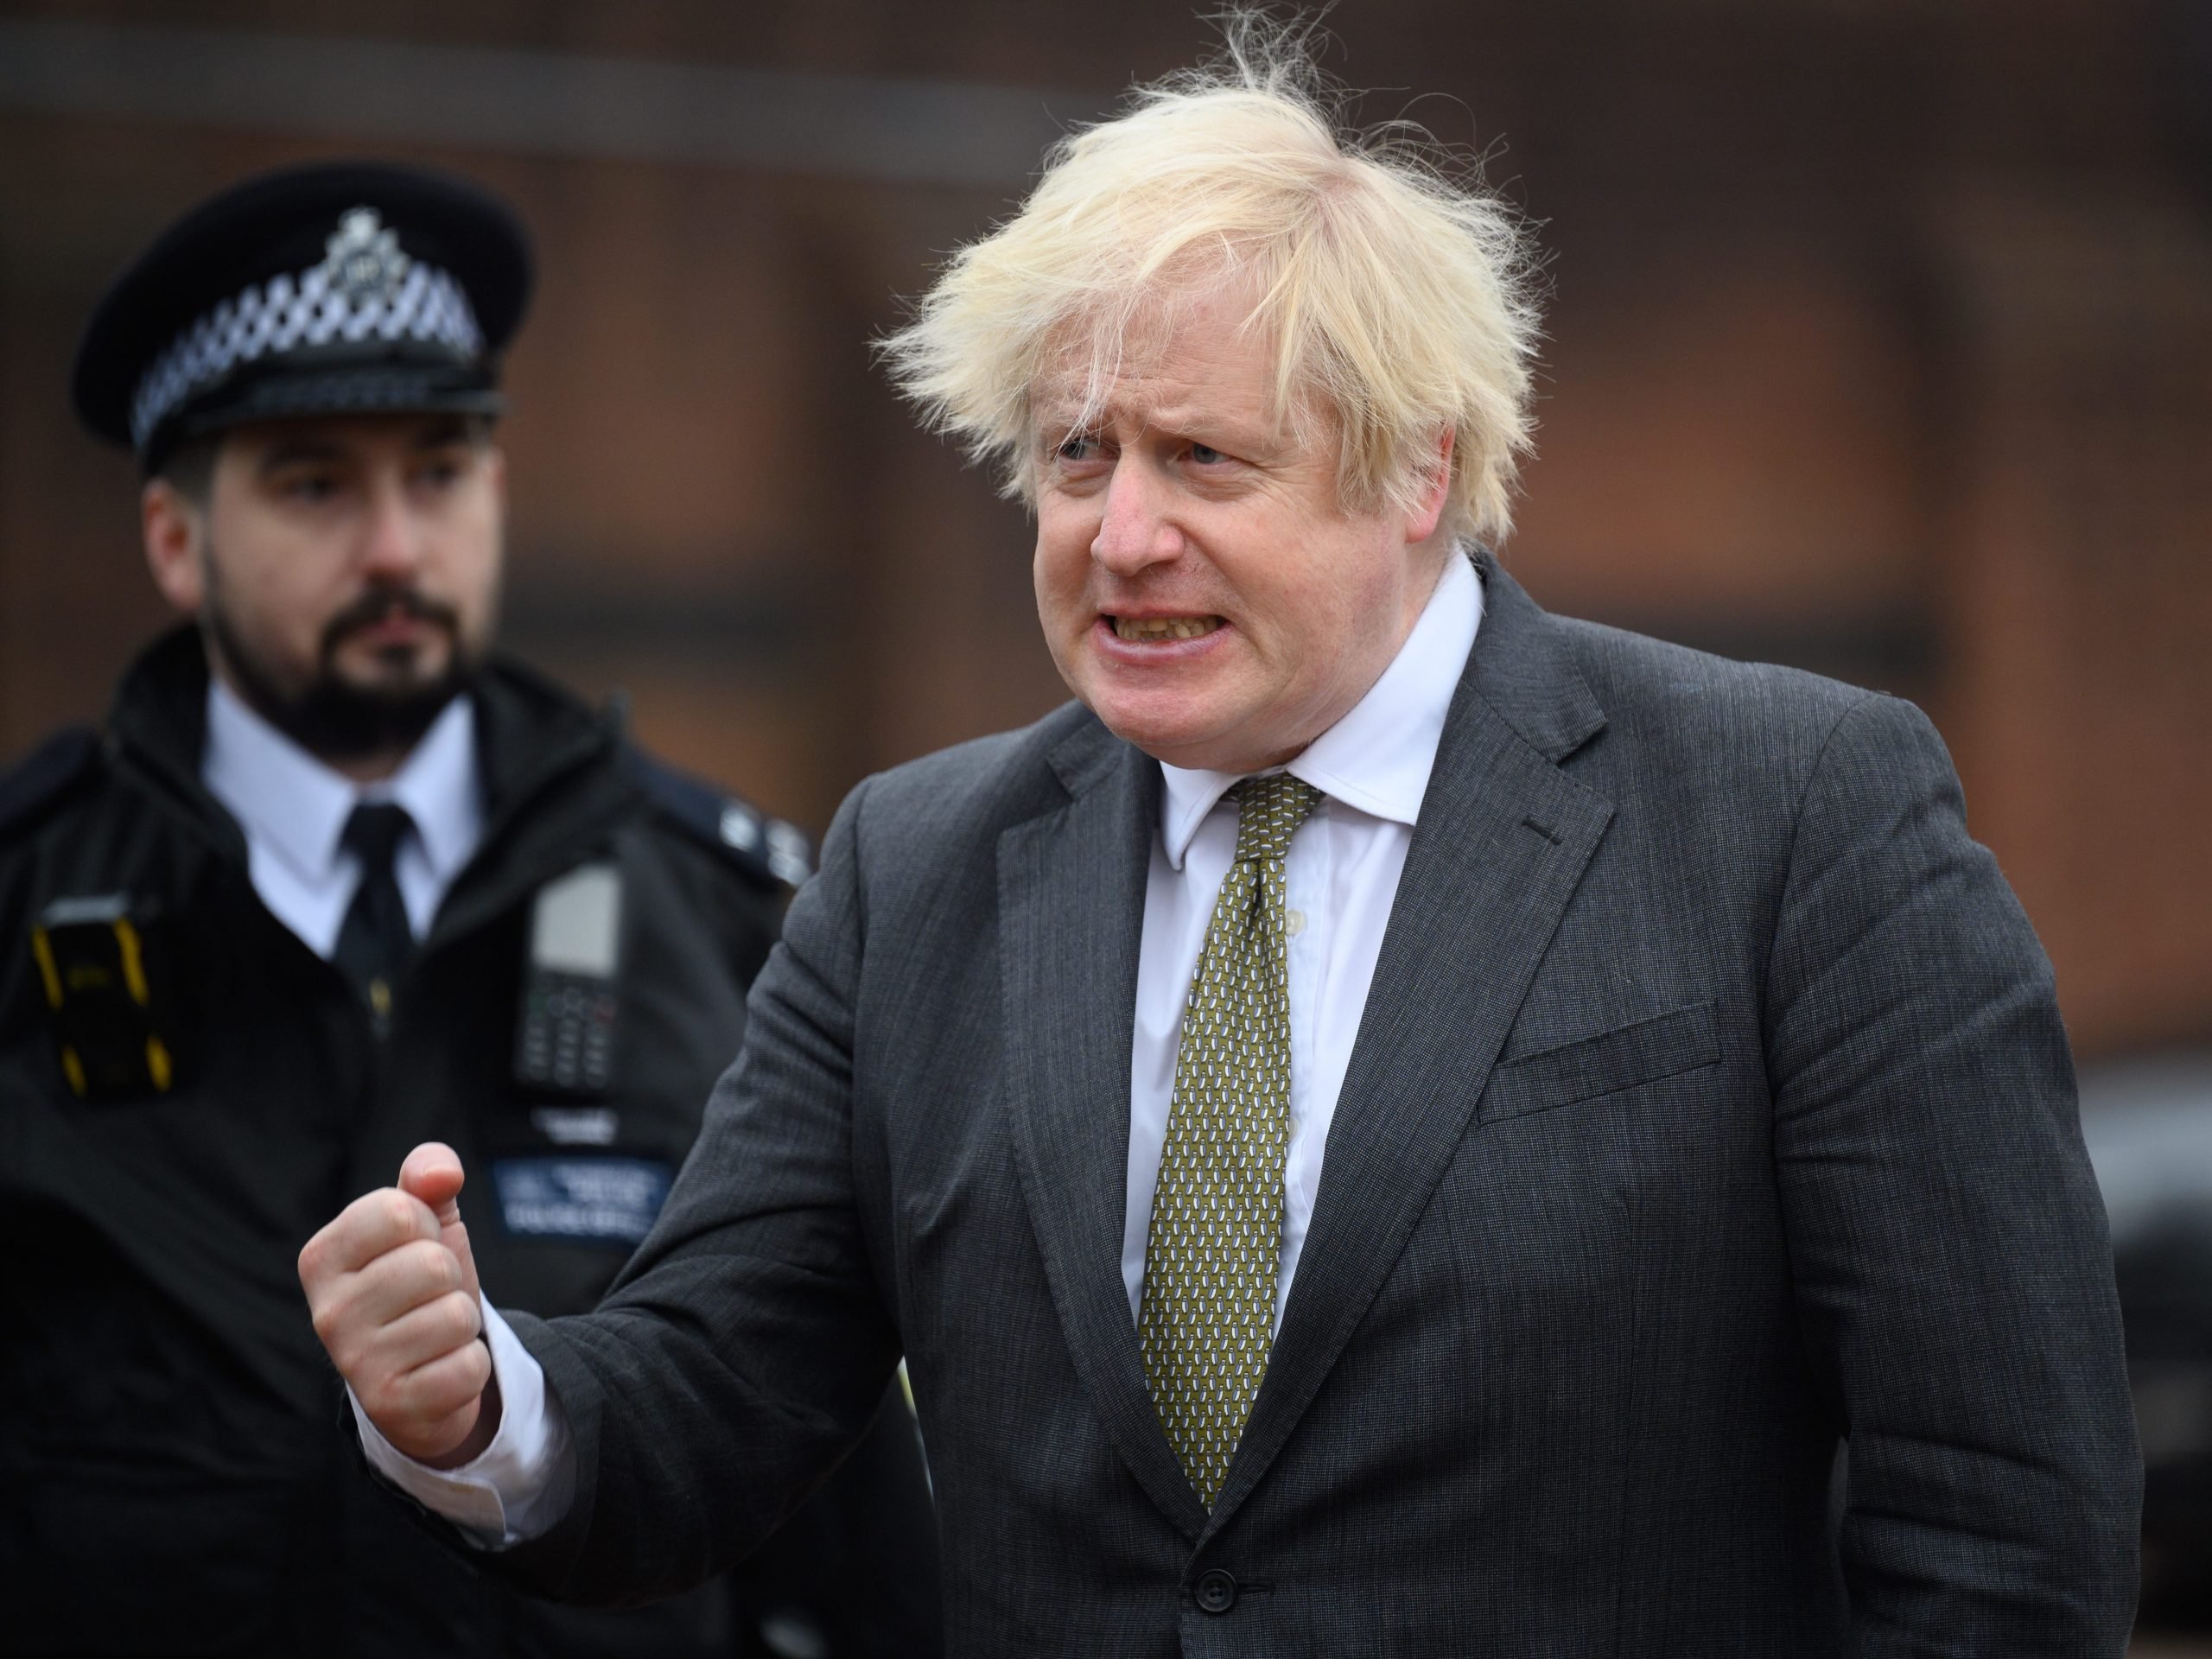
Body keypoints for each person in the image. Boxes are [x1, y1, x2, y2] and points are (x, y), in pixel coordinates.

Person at [300, 27, 2141, 1656]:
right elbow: (711, 1393)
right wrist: (481, 1402)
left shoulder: (1785, 819)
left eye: (1201, 461)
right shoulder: (910, 867)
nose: (1116, 536)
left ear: (1417, 469)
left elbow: (2002, 1521)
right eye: (1074, 457)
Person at [0, 161, 941, 1657]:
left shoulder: (726, 915)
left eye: (438, 473)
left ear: (495, 494)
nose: (393, 549)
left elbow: (846, 1502)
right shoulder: (29, 905)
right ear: (176, 541)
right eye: (315, 484)